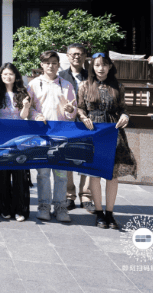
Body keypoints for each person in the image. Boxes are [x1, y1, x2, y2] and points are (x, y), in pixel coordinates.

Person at [78, 53, 137, 229]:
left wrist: (125, 116)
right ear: (92, 67)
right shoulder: (84, 86)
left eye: (104, 65)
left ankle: (110, 213)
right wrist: (83, 117)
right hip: (94, 132)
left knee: (112, 175)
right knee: (95, 174)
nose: (100, 68)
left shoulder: (118, 86)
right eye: (97, 65)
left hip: (112, 132)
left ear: (110, 66)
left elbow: (124, 109)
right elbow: (80, 108)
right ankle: (99, 213)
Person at [27, 50, 77, 222]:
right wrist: (36, 115)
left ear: (58, 65)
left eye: (54, 63)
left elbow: (73, 110)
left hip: (61, 135)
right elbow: (28, 107)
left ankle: (61, 207)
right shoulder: (33, 84)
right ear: (42, 65)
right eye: (47, 63)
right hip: (41, 135)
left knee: (61, 173)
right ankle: (44, 206)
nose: (51, 66)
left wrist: (70, 111)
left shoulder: (66, 85)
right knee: (43, 173)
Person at [0, 63, 32, 221]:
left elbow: (24, 116)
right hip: (2, 137)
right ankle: (4, 207)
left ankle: (20, 209)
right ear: (0, 76)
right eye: (5, 74)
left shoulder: (22, 92)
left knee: (19, 174)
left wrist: (26, 106)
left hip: (19, 138)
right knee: (2, 174)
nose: (8, 77)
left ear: (16, 76)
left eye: (11, 74)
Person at [59, 43, 94, 214]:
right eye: (73, 54)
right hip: (68, 122)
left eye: (79, 54)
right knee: (67, 158)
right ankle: (69, 195)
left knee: (87, 157)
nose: (76, 57)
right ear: (67, 56)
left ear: (85, 56)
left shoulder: (92, 76)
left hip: (89, 122)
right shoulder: (61, 77)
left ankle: (86, 196)